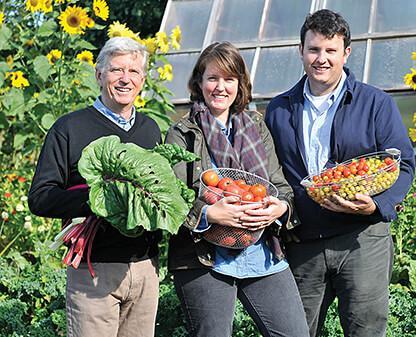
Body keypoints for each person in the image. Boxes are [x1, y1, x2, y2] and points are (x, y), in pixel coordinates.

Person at [265, 9, 415, 337]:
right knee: (295, 331)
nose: (322, 59)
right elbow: (270, 173)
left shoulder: (375, 103)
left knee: (365, 329)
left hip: (362, 237)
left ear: (345, 53)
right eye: (314, 49)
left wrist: (377, 205)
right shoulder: (279, 109)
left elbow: (402, 164)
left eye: (330, 50)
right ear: (301, 51)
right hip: (304, 240)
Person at [165, 41, 309, 337]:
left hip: (261, 250)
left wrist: (280, 208)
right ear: (199, 83)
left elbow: (279, 186)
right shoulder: (182, 133)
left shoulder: (256, 126)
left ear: (240, 84)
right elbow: (171, 198)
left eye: (229, 79)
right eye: (212, 78)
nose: (221, 87)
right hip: (204, 256)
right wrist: (208, 214)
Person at [28, 37, 161, 337]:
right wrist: (97, 199)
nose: (125, 79)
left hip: (145, 269)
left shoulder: (151, 129)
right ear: (99, 75)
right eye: (116, 70)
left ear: (142, 80)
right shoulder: (69, 128)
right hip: (94, 271)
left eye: (134, 71)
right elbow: (40, 197)